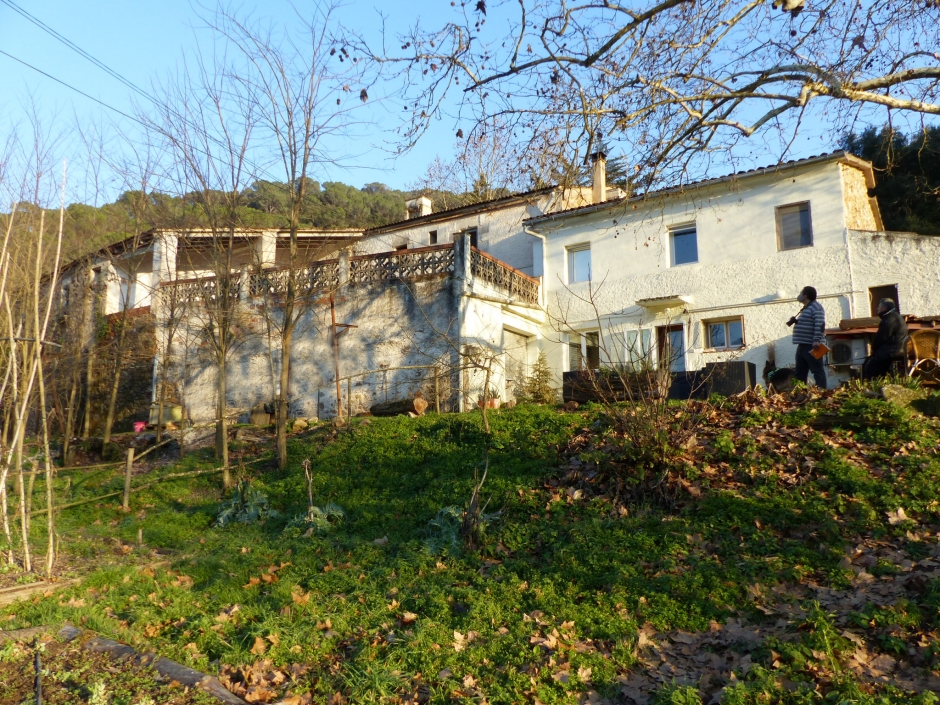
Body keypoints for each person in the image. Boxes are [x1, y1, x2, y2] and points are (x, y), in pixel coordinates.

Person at [787, 285, 827, 388]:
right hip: (802, 345)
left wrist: (816, 340)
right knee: (800, 373)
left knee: (817, 371)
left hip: (813, 345)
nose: (799, 295)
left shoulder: (816, 307)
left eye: (801, 293)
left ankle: (822, 393)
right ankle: (801, 394)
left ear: (805, 295)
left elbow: (820, 324)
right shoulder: (807, 308)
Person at [862, 298, 908, 379]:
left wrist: (874, 348)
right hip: (895, 348)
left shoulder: (889, 318)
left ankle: (872, 386)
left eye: (879, 306)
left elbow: (882, 336)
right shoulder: (895, 316)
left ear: (884, 308)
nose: (877, 308)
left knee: (869, 367)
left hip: (891, 350)